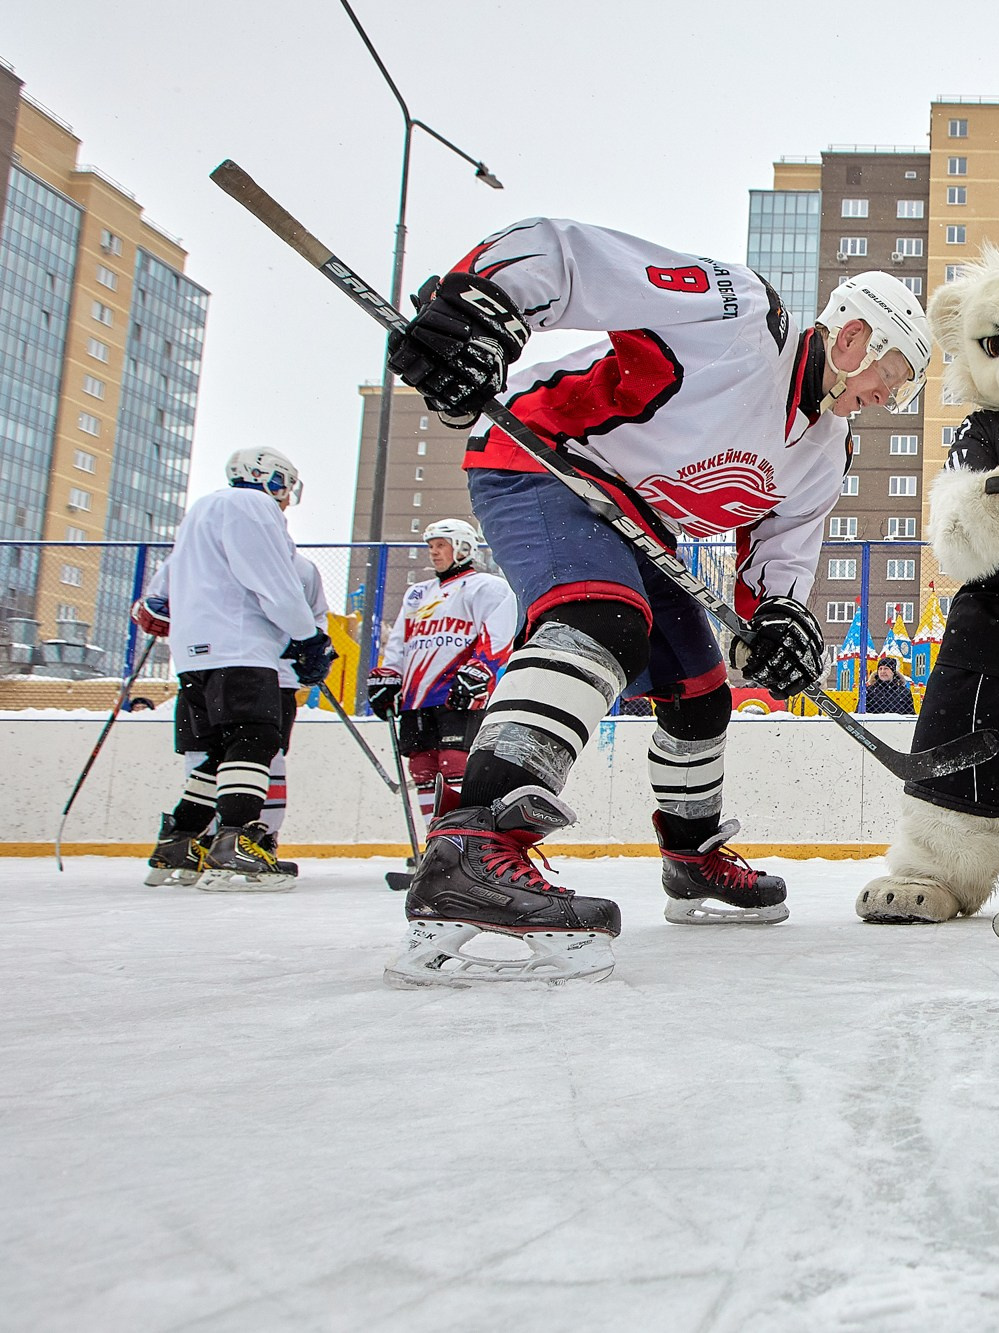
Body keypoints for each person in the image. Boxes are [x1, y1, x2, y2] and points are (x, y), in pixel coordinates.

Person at [382, 217, 931, 984]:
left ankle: (690, 854)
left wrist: (778, 621)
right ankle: (475, 845)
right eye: (895, 372)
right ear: (855, 338)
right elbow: (575, 258)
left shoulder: (826, 449)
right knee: (599, 621)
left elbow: (778, 557)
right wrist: (485, 300)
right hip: (545, 459)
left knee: (702, 693)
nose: (891, 396)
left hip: (638, 522)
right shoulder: (739, 317)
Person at [135, 448, 333, 890]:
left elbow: (158, 597)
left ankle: (180, 842)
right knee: (254, 741)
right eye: (284, 487)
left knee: (218, 753)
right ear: (270, 479)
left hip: (194, 655)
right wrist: (308, 637)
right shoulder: (252, 506)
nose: (285, 499)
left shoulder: (201, 510)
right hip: (241, 647)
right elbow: (272, 580)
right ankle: (236, 846)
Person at [367, 519, 518, 822]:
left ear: (463, 547)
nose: (434, 553)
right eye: (431, 547)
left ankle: (455, 840)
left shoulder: (487, 586)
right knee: (422, 767)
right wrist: (389, 676)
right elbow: (400, 640)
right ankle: (432, 840)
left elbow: (499, 634)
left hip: (459, 692)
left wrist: (480, 669)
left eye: (441, 546)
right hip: (416, 696)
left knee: (455, 763)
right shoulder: (417, 593)